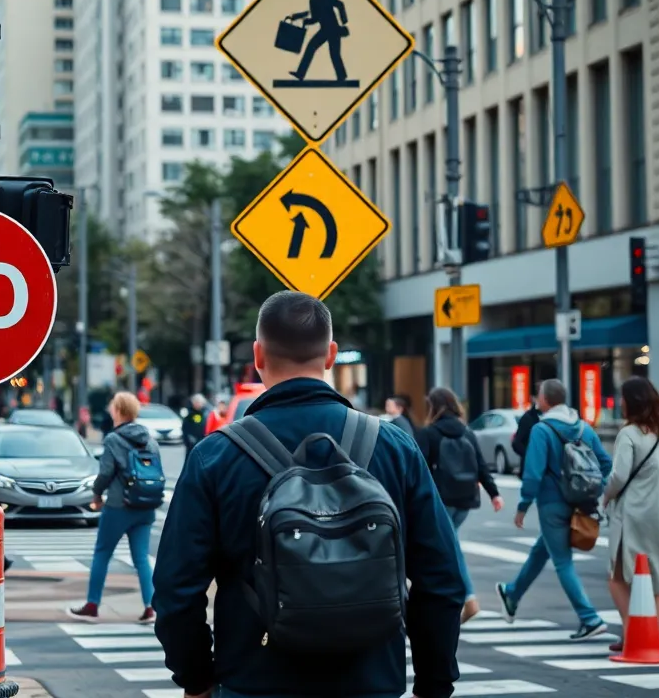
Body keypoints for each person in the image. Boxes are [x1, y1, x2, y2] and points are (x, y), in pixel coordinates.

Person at [153, 291, 465, 698]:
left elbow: (177, 592)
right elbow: (442, 580)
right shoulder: (394, 447)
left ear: (258, 355)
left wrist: (195, 679)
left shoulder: (215, 456)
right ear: (331, 354)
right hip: (370, 683)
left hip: (256, 681)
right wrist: (434, 683)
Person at [496, 378, 612, 640]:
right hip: (580, 504)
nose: (537, 399)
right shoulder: (583, 427)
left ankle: (590, 618)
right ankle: (512, 595)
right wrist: (595, 490)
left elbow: (533, 472)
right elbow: (606, 464)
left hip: (552, 504)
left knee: (562, 562)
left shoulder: (542, 429)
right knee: (542, 550)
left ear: (545, 400)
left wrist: (523, 506)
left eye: (538, 395)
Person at [602, 376, 659, 653]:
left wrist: (605, 495)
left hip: (635, 514)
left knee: (617, 576)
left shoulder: (629, 434)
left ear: (631, 402)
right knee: (656, 583)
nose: (620, 402)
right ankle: (658, 640)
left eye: (622, 397)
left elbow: (619, 475)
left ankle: (632, 632)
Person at [69, 392, 162, 624]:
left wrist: (97, 494)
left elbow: (106, 473)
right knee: (141, 557)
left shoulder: (113, 439)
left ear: (118, 411)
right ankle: (151, 607)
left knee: (102, 554)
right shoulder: (149, 439)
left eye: (113, 407)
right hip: (146, 505)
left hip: (119, 506)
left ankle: (92, 605)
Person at [415, 387, 504, 625]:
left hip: (440, 500)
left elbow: (418, 469)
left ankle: (467, 598)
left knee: (446, 547)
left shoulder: (429, 434)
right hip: (465, 499)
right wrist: (494, 493)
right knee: (448, 544)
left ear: (433, 407)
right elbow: (481, 465)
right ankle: (457, 599)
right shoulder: (467, 432)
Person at [287, 0, 350, 82]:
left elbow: (340, 4)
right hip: (326, 30)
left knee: (333, 53)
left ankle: (341, 76)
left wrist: (344, 21)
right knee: (313, 48)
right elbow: (315, 18)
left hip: (333, 29)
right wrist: (305, 21)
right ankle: (301, 74)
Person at [510, 392, 543, 475]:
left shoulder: (553, 417)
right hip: (530, 470)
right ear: (534, 398)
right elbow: (516, 443)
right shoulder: (528, 417)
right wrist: (530, 455)